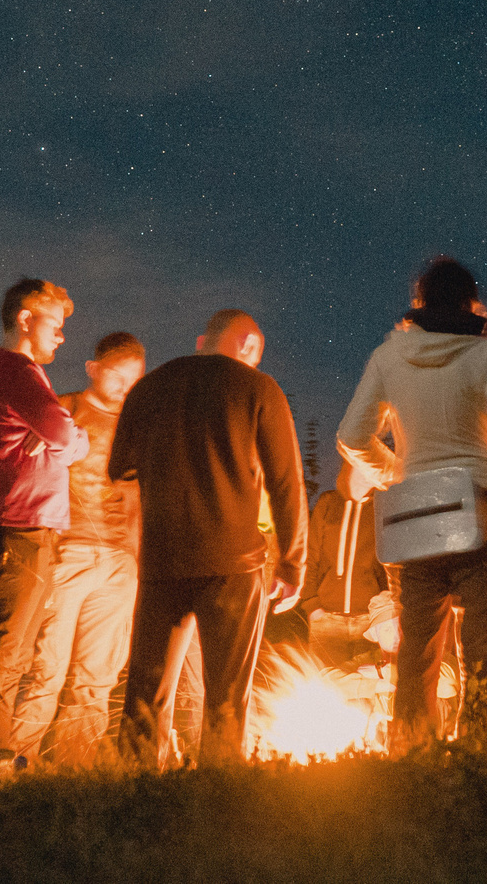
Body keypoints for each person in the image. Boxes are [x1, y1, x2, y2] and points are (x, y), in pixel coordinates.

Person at [337, 256, 487, 747]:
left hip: (418, 510)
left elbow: (352, 435)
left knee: (418, 647)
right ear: (470, 303)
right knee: (485, 645)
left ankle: (412, 755)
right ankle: (484, 754)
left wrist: (396, 473)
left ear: (417, 303)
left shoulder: (388, 357)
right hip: (482, 503)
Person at [111, 308, 307, 764]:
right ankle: (219, 797)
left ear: (204, 341)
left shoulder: (149, 387)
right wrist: (293, 563)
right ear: (245, 345)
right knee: (226, 695)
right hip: (234, 562)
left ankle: (132, 793)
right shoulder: (259, 389)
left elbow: (119, 466)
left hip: (162, 559)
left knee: (147, 692)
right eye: (256, 351)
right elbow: (287, 483)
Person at [0, 278, 91, 769]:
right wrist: (64, 437)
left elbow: (61, 435)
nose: (61, 336)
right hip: (16, 527)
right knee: (0, 653)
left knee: (9, 653)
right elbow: (65, 434)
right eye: (55, 324)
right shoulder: (13, 369)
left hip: (24, 527)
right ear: (27, 319)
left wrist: (61, 436)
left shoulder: (18, 373)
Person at [6, 331, 148, 766]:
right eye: (117, 376)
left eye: (134, 379)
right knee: (46, 667)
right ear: (93, 369)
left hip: (121, 563)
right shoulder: (64, 410)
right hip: (68, 554)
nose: (126, 387)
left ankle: (75, 774)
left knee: (97, 678)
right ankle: (11, 765)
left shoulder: (139, 427)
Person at [300, 456, 386, 670]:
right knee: (327, 688)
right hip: (326, 618)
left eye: (371, 469)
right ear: (349, 469)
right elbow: (311, 556)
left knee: (365, 692)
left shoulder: (381, 509)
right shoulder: (328, 503)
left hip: (369, 620)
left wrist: (385, 611)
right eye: (362, 467)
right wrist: (311, 603)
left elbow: (388, 565)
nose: (367, 474)